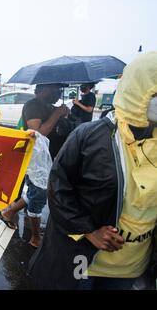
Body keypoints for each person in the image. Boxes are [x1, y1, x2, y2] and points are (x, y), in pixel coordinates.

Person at [28, 51, 157, 290]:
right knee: (32, 200)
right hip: (83, 264)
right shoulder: (88, 137)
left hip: (131, 267)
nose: (57, 92)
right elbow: (58, 188)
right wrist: (87, 230)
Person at [0, 84, 70, 248]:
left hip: (49, 159)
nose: (58, 93)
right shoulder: (33, 105)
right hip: (36, 161)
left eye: (60, 90)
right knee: (38, 195)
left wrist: (62, 114)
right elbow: (39, 132)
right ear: (44, 89)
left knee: (37, 191)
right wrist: (57, 113)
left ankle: (8, 212)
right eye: (55, 89)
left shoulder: (50, 106)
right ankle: (35, 237)